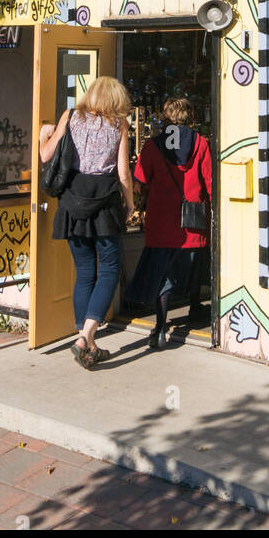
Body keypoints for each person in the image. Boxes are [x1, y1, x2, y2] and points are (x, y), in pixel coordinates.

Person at [40, 77, 134, 369]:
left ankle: (87, 339)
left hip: (72, 198)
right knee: (109, 268)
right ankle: (86, 337)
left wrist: (44, 134)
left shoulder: (69, 116)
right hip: (104, 200)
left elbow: (45, 154)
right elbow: (123, 174)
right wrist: (130, 203)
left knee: (84, 271)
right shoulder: (119, 125)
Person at [125, 97, 212, 349]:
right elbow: (208, 181)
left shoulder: (153, 146)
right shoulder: (201, 144)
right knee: (193, 265)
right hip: (191, 218)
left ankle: (160, 327)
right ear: (188, 115)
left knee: (164, 275)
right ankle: (195, 305)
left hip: (161, 220)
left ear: (166, 115)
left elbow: (140, 180)